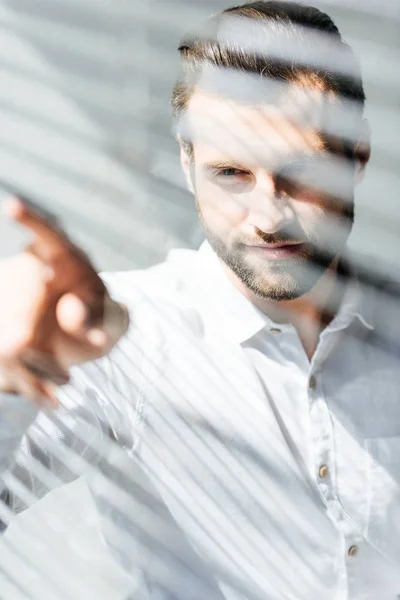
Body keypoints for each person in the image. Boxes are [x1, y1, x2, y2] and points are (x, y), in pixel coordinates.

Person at [0, 2, 399, 598]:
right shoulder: (121, 339)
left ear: (358, 156)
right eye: (231, 174)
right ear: (187, 167)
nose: (268, 216)